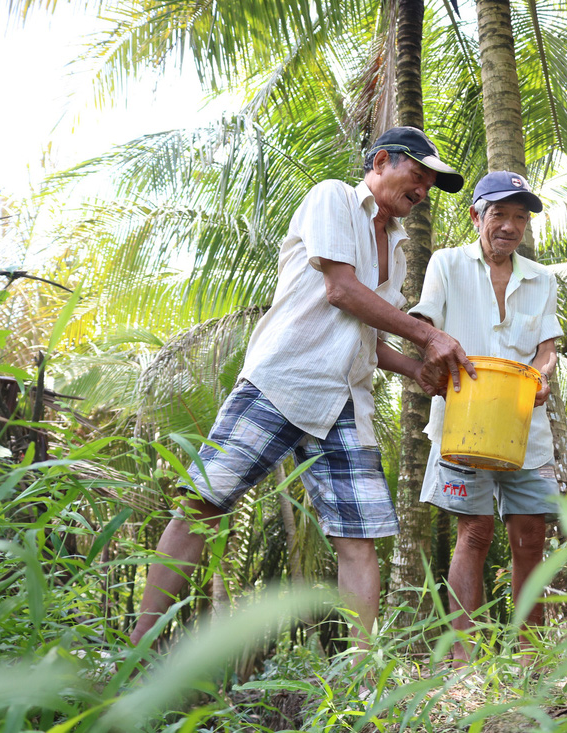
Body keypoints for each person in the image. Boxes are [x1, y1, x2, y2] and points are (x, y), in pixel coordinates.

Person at [129, 126, 477, 657]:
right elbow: (341, 290)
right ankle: (133, 653)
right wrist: (429, 335)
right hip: (284, 379)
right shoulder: (332, 197)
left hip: (345, 400)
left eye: (431, 184)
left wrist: (414, 370)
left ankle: (360, 680)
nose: (424, 190)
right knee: (203, 504)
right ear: (381, 160)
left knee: (356, 539)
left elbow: (367, 339)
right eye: (418, 175)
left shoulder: (401, 252)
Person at [411, 171, 563, 666]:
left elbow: (547, 350)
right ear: (476, 216)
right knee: (474, 533)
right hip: (463, 423)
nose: (510, 226)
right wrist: (430, 362)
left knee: (530, 536)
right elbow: (427, 327)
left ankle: (530, 660)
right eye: (500, 214)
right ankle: (463, 664)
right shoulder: (448, 264)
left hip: (526, 429)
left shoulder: (542, 279)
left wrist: (542, 376)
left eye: (520, 217)